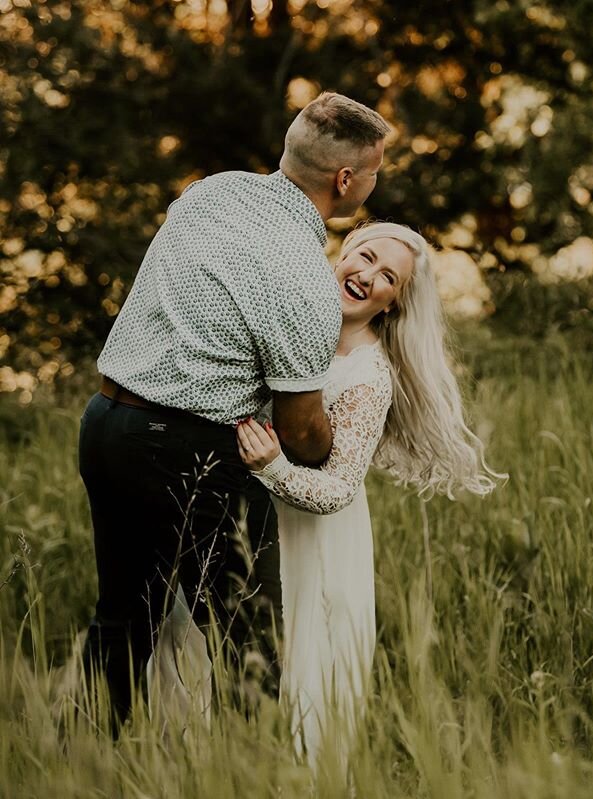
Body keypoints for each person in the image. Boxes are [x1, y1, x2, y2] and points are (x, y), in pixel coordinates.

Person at [77, 91, 390, 729]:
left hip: (106, 423)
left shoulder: (211, 192)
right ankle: (248, 779)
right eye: (378, 169)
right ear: (346, 180)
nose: (377, 180)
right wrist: (344, 428)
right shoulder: (305, 274)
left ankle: (77, 762)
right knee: (250, 648)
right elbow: (303, 436)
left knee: (122, 619)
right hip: (186, 450)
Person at [234, 222, 503, 770]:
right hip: (247, 522)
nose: (368, 276)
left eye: (388, 278)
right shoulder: (293, 325)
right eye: (366, 257)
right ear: (343, 252)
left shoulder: (368, 376)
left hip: (316, 538)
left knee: (299, 672)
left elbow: (335, 489)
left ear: (393, 302)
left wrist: (272, 465)